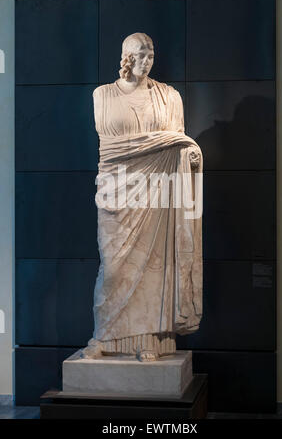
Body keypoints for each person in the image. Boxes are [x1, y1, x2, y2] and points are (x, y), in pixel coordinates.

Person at [81, 32, 203, 362]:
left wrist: (188, 159)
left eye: (150, 56)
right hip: (117, 189)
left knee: (154, 266)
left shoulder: (169, 97)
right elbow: (109, 149)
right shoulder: (102, 96)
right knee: (114, 268)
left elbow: (174, 143)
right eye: (139, 56)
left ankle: (148, 337)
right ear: (125, 57)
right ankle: (103, 336)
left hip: (158, 190)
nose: (146, 62)